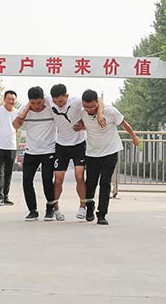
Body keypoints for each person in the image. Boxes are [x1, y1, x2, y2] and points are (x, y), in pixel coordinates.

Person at [79, 89, 139, 225]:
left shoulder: (111, 112)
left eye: (92, 107)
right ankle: (89, 207)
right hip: (92, 153)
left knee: (105, 182)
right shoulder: (82, 113)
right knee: (90, 183)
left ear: (97, 103)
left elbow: (124, 124)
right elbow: (83, 123)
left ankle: (102, 214)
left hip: (110, 152)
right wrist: (80, 126)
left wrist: (134, 136)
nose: (89, 110)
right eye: (86, 107)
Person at [48, 84, 102, 221]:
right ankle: (56, 209)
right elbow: (34, 100)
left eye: (61, 101)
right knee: (58, 179)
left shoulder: (76, 102)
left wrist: (96, 116)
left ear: (67, 96)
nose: (59, 104)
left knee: (79, 176)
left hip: (78, 144)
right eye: (56, 101)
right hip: (61, 145)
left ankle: (82, 207)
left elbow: (98, 101)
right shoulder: (49, 101)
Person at [13, 86, 57, 221]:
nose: (36, 106)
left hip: (49, 150)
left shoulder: (51, 107)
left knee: (47, 179)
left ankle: (50, 208)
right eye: (33, 103)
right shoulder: (25, 110)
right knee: (26, 181)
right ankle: (32, 211)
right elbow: (15, 126)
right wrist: (27, 108)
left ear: (43, 99)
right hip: (31, 151)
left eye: (39, 102)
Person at [0, 90, 19, 206]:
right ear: (4, 99)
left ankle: (6, 197)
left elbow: (16, 128)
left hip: (11, 146)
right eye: (9, 99)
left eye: (13, 99)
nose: (11, 101)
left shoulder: (17, 113)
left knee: (8, 172)